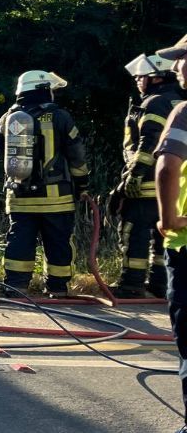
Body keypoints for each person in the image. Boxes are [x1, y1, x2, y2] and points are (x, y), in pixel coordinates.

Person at [0, 70, 89, 298]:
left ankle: (16, 286)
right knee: (57, 242)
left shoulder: (8, 117)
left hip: (19, 194)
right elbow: (77, 155)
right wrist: (82, 185)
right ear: (43, 90)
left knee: (19, 240)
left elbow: (0, 150)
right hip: (56, 198)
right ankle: (57, 289)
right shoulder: (60, 117)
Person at [114, 54, 184, 298]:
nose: (137, 80)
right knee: (161, 238)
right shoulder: (177, 102)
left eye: (141, 76)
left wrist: (133, 176)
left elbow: (149, 141)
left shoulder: (154, 103)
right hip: (174, 188)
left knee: (135, 231)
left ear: (156, 77)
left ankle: (131, 284)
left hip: (146, 183)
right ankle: (159, 285)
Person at [152, 33, 187, 433]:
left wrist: (168, 218)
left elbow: (166, 165)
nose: (176, 67)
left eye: (181, 60)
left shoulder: (184, 113)